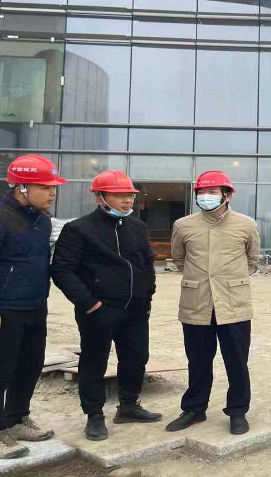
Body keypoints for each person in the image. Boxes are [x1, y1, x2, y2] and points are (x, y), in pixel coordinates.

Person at [52, 170, 160, 441]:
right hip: (99, 310)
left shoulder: (137, 227)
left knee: (136, 358)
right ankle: (94, 415)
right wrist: (89, 303)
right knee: (94, 362)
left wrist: (147, 295)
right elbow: (62, 270)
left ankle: (128, 406)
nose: (127, 201)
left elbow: (147, 263)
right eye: (119, 195)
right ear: (99, 197)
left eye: (130, 195)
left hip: (135, 310)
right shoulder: (79, 229)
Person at [0, 155, 65, 459]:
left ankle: (16, 419)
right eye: (46, 187)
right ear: (22, 188)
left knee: (29, 366)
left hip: (34, 306)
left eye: (54, 187)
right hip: (2, 311)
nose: (53, 192)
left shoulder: (42, 220)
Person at [165, 171, 260, 435]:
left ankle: (237, 411)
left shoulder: (246, 225)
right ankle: (194, 409)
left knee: (237, 361)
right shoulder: (183, 225)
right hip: (196, 303)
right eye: (201, 192)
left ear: (227, 195)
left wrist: (228, 280)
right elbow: (179, 259)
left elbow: (251, 260)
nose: (205, 196)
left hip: (233, 304)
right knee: (197, 361)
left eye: (212, 192)